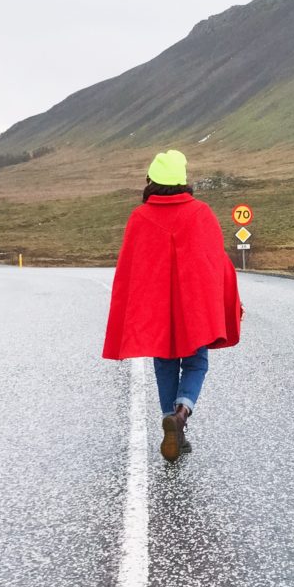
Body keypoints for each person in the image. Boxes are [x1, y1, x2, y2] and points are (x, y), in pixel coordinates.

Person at [102, 149, 242, 461]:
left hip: (156, 309)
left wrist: (131, 307)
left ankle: (171, 420)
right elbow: (216, 263)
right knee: (195, 362)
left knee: (164, 362)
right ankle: (179, 417)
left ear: (152, 180)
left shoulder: (140, 217)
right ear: (182, 181)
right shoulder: (201, 213)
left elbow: (129, 269)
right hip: (193, 307)